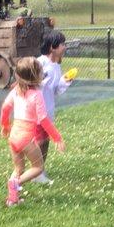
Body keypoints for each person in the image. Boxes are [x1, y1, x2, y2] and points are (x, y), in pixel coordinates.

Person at [0, 57, 66, 206]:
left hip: (14, 137)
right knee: (38, 167)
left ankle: (12, 199)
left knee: (19, 168)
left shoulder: (16, 91)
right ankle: (15, 183)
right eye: (41, 72)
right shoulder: (36, 95)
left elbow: (5, 108)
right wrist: (57, 138)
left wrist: (4, 126)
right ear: (36, 76)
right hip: (25, 139)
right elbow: (43, 119)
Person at [34, 30, 73, 183]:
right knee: (39, 141)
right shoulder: (40, 63)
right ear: (52, 47)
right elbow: (30, 82)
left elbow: (55, 89)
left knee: (45, 140)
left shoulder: (56, 66)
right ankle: (35, 172)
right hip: (36, 111)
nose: (65, 47)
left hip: (47, 110)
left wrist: (65, 81)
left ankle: (40, 170)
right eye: (62, 44)